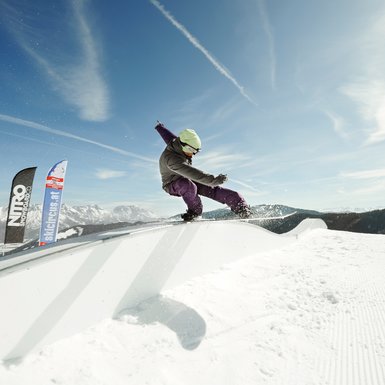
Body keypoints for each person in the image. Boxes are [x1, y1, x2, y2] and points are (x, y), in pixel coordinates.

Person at [155, 121, 251, 221]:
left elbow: (167, 135)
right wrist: (214, 179)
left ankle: (240, 206)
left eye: (196, 152)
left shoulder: (177, 142)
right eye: (192, 151)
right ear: (184, 145)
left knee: (211, 188)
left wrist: (160, 127)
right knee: (189, 186)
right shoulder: (172, 160)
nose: (192, 154)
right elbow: (195, 174)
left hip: (184, 176)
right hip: (171, 184)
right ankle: (194, 212)